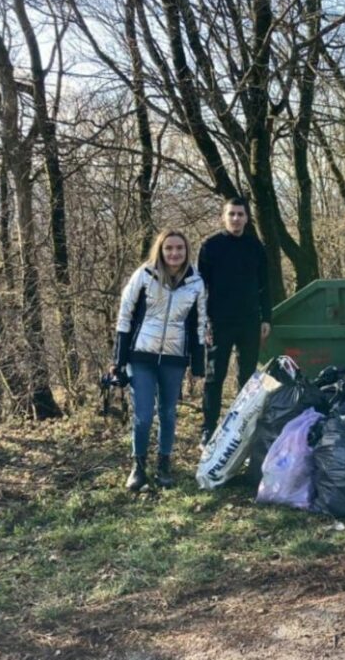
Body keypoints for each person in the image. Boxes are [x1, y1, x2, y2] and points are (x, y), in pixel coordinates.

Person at [111, 230, 207, 491]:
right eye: (169, 248)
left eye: (179, 248)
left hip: (174, 358)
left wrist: (198, 364)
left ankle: (164, 463)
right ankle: (138, 466)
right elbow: (125, 314)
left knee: (167, 412)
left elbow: (199, 323)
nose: (174, 253)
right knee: (143, 414)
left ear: (186, 251)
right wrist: (118, 359)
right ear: (161, 250)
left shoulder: (196, 282)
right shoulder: (144, 274)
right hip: (141, 355)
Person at [198, 196, 272, 448]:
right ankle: (208, 429)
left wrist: (266, 318)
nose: (236, 219)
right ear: (224, 216)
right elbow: (200, 289)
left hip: (250, 321)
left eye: (240, 214)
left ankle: (242, 428)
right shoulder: (210, 246)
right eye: (232, 214)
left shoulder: (255, 247)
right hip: (218, 322)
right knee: (214, 377)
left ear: (247, 218)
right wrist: (203, 322)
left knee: (247, 378)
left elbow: (265, 286)